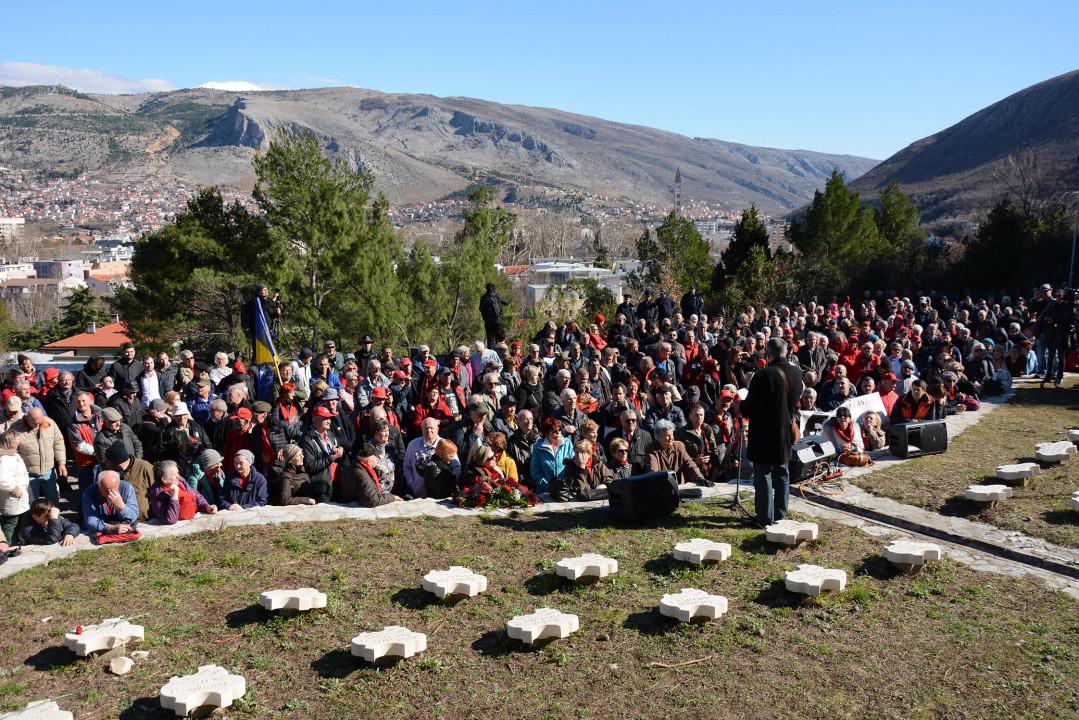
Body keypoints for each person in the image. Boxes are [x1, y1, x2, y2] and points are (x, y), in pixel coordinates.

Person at [740, 338, 803, 526]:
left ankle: (764, 518)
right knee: (782, 473)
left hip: (764, 434)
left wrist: (740, 405)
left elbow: (748, 409)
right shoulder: (796, 373)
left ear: (768, 354)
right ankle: (781, 516)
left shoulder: (763, 375)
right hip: (785, 432)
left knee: (763, 474)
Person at [12, 407, 67, 504]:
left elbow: (58, 443)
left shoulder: (50, 423)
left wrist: (61, 463)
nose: (38, 425)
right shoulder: (16, 429)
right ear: (27, 418)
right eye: (34, 422)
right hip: (29, 475)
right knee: (32, 504)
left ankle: (53, 519)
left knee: (53, 502)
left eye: (40, 421)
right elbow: (12, 453)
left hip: (48, 472)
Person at [148, 460, 217, 524]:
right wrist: (174, 496)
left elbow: (195, 494)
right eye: (174, 474)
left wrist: (207, 507)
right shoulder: (157, 494)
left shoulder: (180, 481)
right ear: (164, 479)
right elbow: (170, 519)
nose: (178, 476)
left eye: (178, 472)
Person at [102, 439, 155, 522]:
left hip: (143, 520)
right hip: (118, 519)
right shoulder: (109, 471)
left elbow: (157, 491)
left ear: (117, 462)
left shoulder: (144, 467)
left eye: (109, 461)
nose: (107, 464)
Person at [81, 470, 140, 541]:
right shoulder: (89, 493)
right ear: (99, 485)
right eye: (106, 490)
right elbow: (90, 521)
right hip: (104, 524)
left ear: (118, 483)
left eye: (114, 489)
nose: (110, 493)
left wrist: (121, 506)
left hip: (122, 523)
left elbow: (134, 516)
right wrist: (110, 528)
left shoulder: (127, 487)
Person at [300, 406, 340, 504]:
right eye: (324, 418)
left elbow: (337, 448)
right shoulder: (307, 439)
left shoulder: (329, 434)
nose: (328, 421)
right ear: (315, 420)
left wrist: (340, 450)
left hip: (336, 482)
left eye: (329, 418)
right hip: (321, 487)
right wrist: (331, 457)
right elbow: (310, 466)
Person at [648, 420, 708, 485]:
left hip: (679, 486)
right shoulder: (652, 449)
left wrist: (699, 477)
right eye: (667, 435)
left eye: (672, 434)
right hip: (661, 488)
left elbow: (689, 464)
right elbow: (653, 471)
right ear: (658, 438)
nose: (671, 438)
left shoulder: (679, 446)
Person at [530, 417, 574, 494]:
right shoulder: (538, 447)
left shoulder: (567, 443)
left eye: (560, 430)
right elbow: (535, 472)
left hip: (565, 490)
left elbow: (573, 466)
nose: (558, 433)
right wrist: (547, 486)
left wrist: (565, 484)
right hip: (544, 491)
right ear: (546, 434)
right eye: (554, 431)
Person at [0, 432, 30, 544]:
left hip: (19, 498)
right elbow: (2, 478)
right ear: (9, 442)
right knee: (10, 524)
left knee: (19, 522)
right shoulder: (5, 459)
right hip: (12, 498)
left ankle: (18, 542)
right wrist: (14, 488)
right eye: (16, 440)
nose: (19, 441)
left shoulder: (13, 455)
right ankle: (6, 545)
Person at [353, 443, 402, 507]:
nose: (377, 459)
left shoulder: (356, 466)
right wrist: (393, 497)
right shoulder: (363, 476)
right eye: (375, 456)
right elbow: (372, 501)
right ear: (368, 459)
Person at [479, 283, 510, 347]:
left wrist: (485, 318)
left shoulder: (483, 298)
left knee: (490, 340)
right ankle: (498, 354)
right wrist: (500, 317)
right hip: (497, 321)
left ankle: (491, 355)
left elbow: (480, 308)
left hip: (488, 322)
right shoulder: (496, 296)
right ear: (493, 289)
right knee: (499, 340)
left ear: (486, 289)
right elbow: (501, 306)